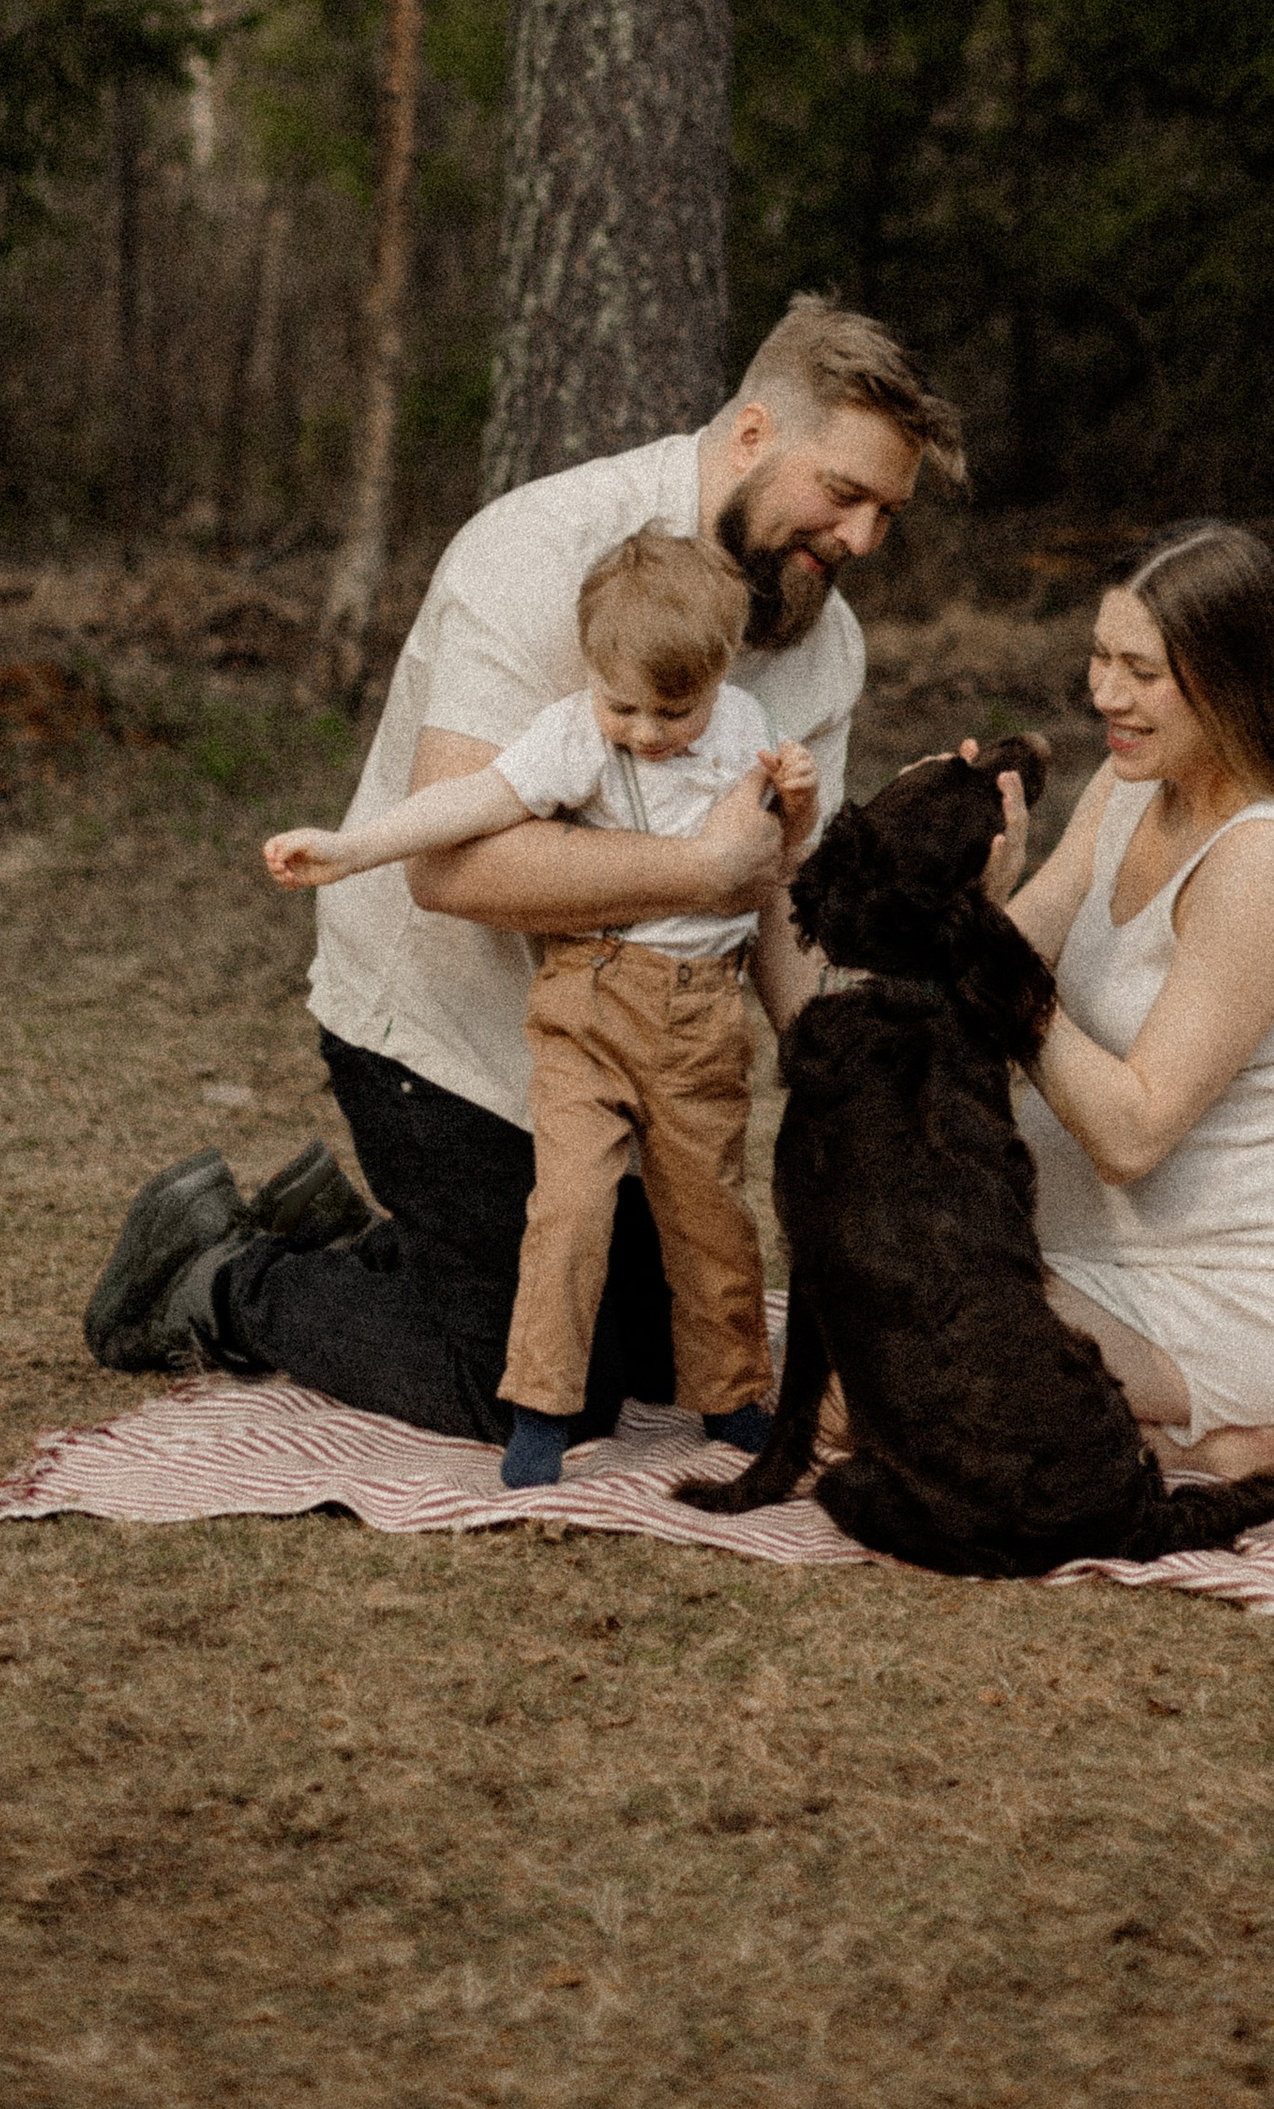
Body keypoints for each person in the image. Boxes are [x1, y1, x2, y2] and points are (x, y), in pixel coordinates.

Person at [81, 295, 966, 1448]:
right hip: (443, 1043)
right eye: (841, 496)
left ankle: (377, 1246)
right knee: (544, 1387)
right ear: (751, 436)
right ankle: (221, 1279)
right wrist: (698, 871)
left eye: (885, 515)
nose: (858, 540)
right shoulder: (538, 550)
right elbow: (450, 872)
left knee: (682, 1344)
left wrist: (832, 1071)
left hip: (647, 1059)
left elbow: (786, 896)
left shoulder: (824, 644)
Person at [262, 525, 818, 1485]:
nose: (645, 731)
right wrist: (355, 849)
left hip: (700, 1023)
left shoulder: (751, 738)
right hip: (588, 1002)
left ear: (723, 674)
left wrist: (796, 806)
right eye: (624, 706)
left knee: (710, 1211)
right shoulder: (575, 735)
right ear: (594, 676)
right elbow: (475, 802)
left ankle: (730, 1393)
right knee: (567, 1204)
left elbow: (780, 868)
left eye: (671, 710)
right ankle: (541, 1405)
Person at [1007, 523, 1274, 1483]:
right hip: (1101, 1263)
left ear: (1231, 680)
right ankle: (1184, 1441)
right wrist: (946, 892)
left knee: (885, 1380)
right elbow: (1023, 938)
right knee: (861, 1323)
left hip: (1250, 1298)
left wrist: (993, 975)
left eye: (1141, 671)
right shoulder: (1133, 778)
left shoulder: (1268, 858)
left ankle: (1233, 1437)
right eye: (1101, 657)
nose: (1105, 694)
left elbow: (1133, 1133)